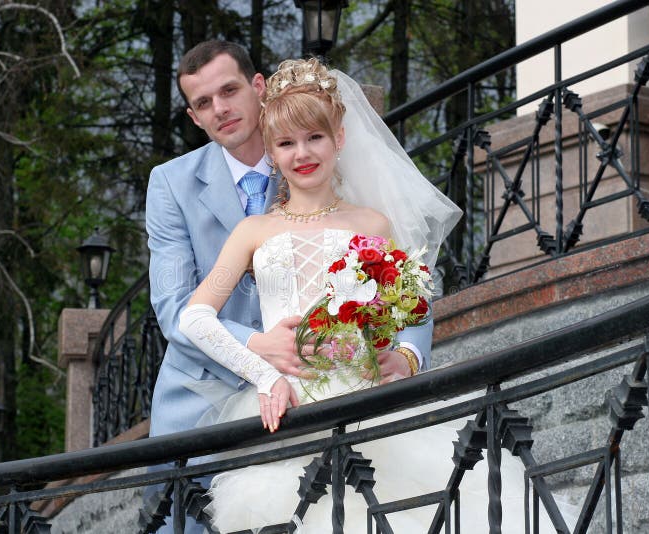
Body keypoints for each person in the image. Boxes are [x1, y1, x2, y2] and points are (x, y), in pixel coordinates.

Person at [176, 59, 575, 533]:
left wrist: (403, 356)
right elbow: (195, 318)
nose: (302, 153)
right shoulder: (254, 231)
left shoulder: (372, 225)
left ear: (338, 139)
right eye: (286, 143)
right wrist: (263, 375)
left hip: (371, 401)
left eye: (315, 138)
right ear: (273, 151)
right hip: (292, 406)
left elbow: (410, 301)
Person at [145, 42, 433, 532]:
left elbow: (410, 286)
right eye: (203, 103)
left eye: (230, 90)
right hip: (207, 392)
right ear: (193, 116)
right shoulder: (171, 185)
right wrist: (259, 351)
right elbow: (178, 309)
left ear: (258, 89)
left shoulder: (352, 194)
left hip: (346, 389)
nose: (220, 109)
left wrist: (405, 355)